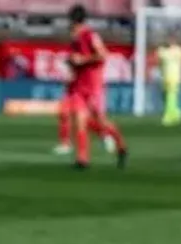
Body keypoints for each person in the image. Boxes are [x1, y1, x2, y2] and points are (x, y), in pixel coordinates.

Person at [64, 3, 127, 170]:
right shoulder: (74, 39)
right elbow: (73, 61)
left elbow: (103, 55)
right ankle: (82, 159)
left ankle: (121, 146)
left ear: (77, 22)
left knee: (101, 122)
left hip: (94, 86)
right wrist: (71, 68)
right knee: (79, 121)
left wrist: (82, 60)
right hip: (79, 86)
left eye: (72, 22)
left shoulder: (91, 36)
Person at [157, 32, 181, 126]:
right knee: (166, 96)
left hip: (174, 77)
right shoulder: (162, 50)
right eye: (169, 39)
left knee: (171, 96)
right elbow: (159, 64)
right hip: (164, 77)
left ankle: (168, 116)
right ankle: (176, 112)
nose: (170, 41)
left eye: (172, 39)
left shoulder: (179, 51)